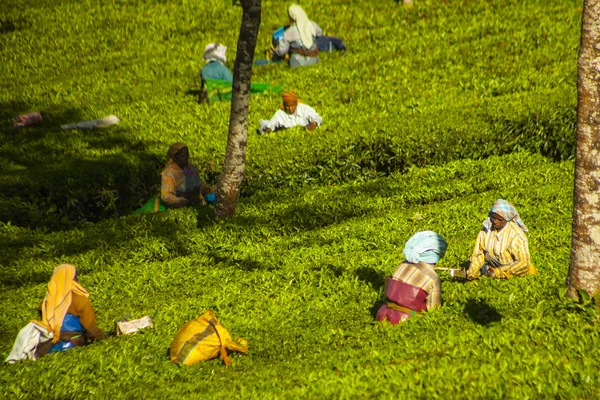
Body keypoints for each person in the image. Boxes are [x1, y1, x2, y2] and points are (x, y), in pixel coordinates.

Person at [34, 264, 106, 357]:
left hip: (48, 344)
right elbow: (90, 329)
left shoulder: (46, 301)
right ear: (73, 278)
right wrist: (103, 339)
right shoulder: (79, 299)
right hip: (73, 342)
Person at [376, 231, 447, 325]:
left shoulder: (402, 265)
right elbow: (434, 312)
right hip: (408, 318)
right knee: (421, 315)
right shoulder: (433, 278)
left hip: (382, 315)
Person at [466, 199, 537, 280]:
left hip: (516, 273)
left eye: (500, 220)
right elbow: (478, 254)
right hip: (492, 271)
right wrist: (472, 272)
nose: (495, 222)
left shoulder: (516, 235)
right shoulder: (486, 230)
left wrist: (497, 273)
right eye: (493, 218)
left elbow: (524, 263)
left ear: (507, 219)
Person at [161, 142, 213, 208]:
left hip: (198, 203)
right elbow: (166, 196)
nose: (186, 157)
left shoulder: (191, 168)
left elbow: (200, 183)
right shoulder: (169, 173)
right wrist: (181, 201)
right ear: (174, 157)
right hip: (182, 204)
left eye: (187, 155)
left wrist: (211, 190)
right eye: (183, 155)